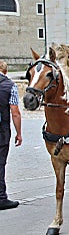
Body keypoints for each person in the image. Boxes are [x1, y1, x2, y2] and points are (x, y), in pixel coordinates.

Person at [0, 60, 22, 210]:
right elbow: (15, 112)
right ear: (6, 71)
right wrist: (19, 133)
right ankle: (1, 197)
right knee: (0, 163)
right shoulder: (10, 86)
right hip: (1, 132)